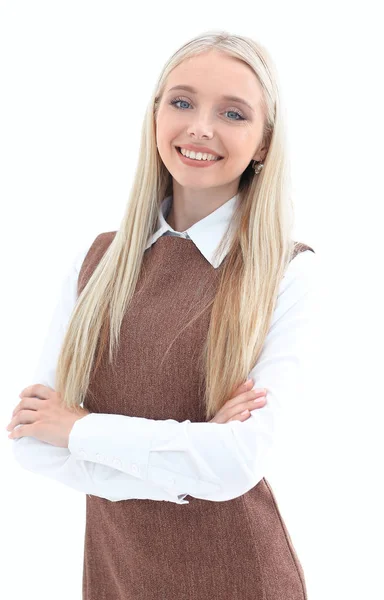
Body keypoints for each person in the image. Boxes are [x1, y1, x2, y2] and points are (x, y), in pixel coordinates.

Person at [8, 29, 316, 600]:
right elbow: (30, 439)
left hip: (241, 579)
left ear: (265, 142)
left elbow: (238, 464)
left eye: (232, 112)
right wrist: (191, 454)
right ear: (155, 116)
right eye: (182, 102)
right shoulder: (97, 261)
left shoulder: (287, 274)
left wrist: (78, 429)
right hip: (114, 577)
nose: (200, 126)